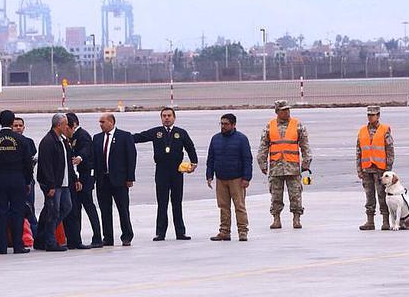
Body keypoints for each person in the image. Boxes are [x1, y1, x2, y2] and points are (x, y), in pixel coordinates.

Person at [133, 107, 198, 241]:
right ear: (161, 118)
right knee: (162, 203)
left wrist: (194, 163)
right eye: (164, 116)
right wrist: (122, 136)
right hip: (161, 171)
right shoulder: (156, 132)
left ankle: (180, 232)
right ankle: (160, 233)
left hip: (176, 172)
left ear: (174, 117)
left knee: (177, 202)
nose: (166, 118)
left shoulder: (181, 133)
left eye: (169, 115)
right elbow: (139, 137)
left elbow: (190, 147)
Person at [257, 99, 312, 229]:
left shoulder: (298, 125)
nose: (287, 112)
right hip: (276, 168)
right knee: (275, 195)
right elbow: (263, 146)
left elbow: (305, 146)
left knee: (296, 194)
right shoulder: (270, 126)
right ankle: (276, 219)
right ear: (277, 112)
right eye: (283, 110)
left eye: (288, 109)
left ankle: (296, 218)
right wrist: (262, 163)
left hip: (293, 168)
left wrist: (306, 163)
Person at [0, 110, 34, 254]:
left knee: (0, 212)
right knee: (17, 213)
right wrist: (27, 181)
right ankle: (18, 245)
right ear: (12, 122)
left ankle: (1, 246)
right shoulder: (22, 140)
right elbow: (28, 163)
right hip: (17, 178)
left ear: (0, 121)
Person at [206, 113, 253, 242]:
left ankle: (243, 231)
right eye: (221, 123)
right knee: (223, 206)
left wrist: (246, 178)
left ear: (233, 125)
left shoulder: (241, 139)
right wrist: (209, 175)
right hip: (221, 178)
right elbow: (210, 158)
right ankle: (224, 231)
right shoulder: (215, 139)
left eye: (226, 124)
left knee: (239, 206)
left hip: (237, 179)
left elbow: (247, 159)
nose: (223, 126)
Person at [92, 112, 137, 246]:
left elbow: (131, 157)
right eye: (100, 122)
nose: (100, 125)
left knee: (123, 209)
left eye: (103, 122)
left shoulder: (124, 136)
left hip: (120, 180)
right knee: (105, 210)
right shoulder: (97, 138)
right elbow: (94, 158)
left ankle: (127, 235)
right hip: (102, 180)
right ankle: (108, 237)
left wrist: (130, 177)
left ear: (111, 122)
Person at [36, 113, 78, 252]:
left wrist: (74, 179)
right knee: (53, 211)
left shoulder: (62, 140)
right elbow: (46, 166)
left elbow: (67, 163)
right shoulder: (48, 142)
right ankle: (50, 242)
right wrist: (50, 185)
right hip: (55, 184)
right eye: (65, 124)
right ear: (59, 125)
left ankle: (45, 236)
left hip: (64, 182)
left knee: (66, 207)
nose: (67, 126)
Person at [64, 113, 102, 249]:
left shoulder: (82, 135)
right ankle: (75, 238)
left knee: (88, 205)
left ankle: (97, 236)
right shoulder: (70, 136)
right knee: (75, 208)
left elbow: (85, 150)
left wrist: (80, 157)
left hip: (85, 177)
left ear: (73, 125)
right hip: (76, 177)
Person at [356, 105, 394, 231]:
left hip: (380, 170)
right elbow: (358, 151)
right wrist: (359, 169)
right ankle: (370, 221)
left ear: (378, 116)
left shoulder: (384, 130)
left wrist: (388, 168)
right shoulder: (362, 131)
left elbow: (390, 150)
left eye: (372, 115)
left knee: (382, 196)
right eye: (368, 115)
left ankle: (385, 221)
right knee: (369, 196)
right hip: (367, 169)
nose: (370, 117)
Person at [12, 116, 40, 242]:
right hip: (15, 180)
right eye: (15, 125)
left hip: (28, 180)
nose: (18, 128)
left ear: (24, 127)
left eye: (20, 125)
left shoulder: (29, 142)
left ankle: (35, 235)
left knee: (30, 208)